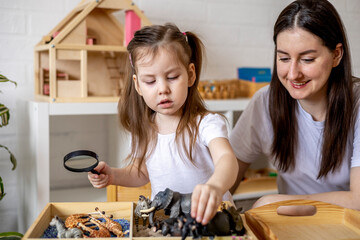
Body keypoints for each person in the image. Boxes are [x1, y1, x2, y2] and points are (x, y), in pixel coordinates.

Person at [88, 23, 238, 225]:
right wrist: (112, 175)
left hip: (213, 220)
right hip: (166, 222)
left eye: (172, 77)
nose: (163, 89)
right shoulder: (145, 128)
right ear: (138, 85)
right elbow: (141, 173)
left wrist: (215, 187)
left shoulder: (207, 124)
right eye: (150, 81)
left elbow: (226, 159)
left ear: (190, 75)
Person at [230, 0, 360, 210]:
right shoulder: (266, 101)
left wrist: (272, 203)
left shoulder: (357, 104)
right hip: (289, 225)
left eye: (307, 59)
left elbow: (358, 201)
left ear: (336, 55)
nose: (292, 74)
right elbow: (229, 172)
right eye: (283, 58)